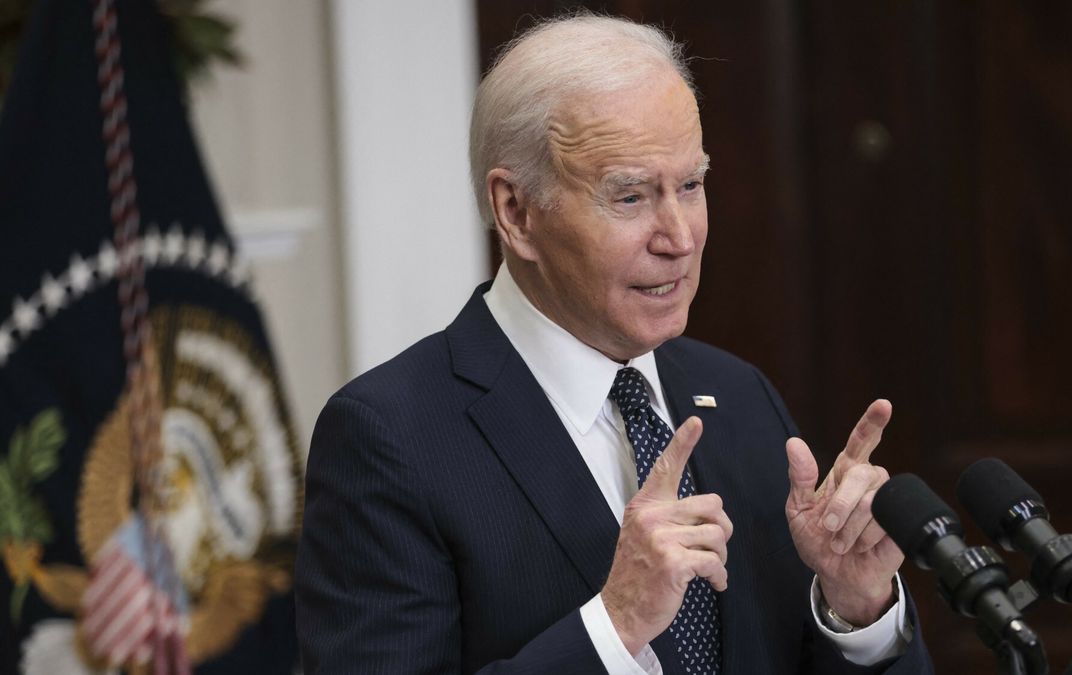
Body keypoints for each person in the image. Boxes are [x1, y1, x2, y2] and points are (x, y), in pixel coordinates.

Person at [295, 13, 933, 675]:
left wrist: (856, 608)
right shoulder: (389, 437)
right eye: (630, 197)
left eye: (690, 185)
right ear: (517, 212)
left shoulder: (740, 397)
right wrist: (615, 624)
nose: (679, 237)